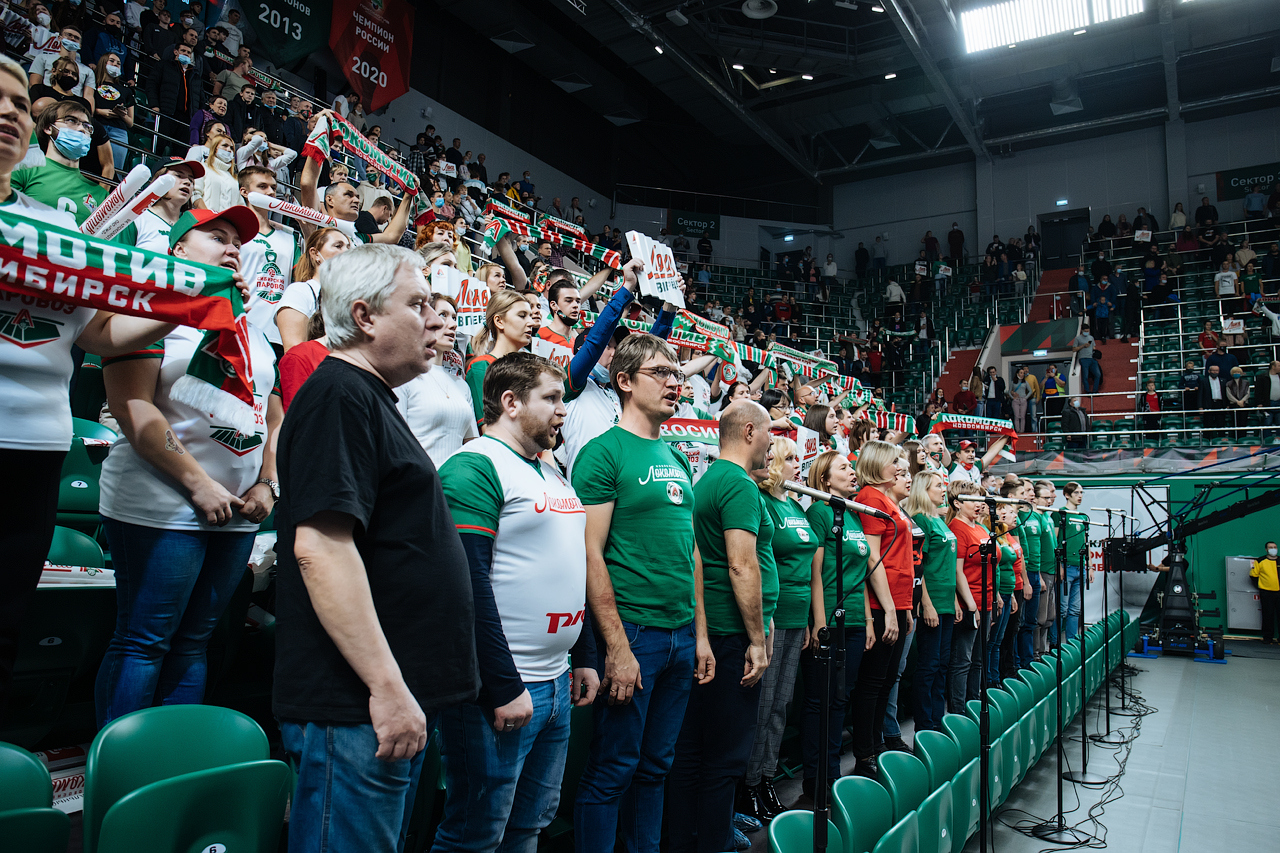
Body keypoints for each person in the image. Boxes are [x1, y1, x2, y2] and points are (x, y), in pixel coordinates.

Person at [0, 54, 193, 707]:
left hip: (35, 451)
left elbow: (98, 336)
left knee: (4, 628)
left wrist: (183, 306)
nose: (9, 112)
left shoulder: (58, 228)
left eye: (18, 102)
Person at [274, 244, 480, 852]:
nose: (434, 320)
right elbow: (321, 549)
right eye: (417, 305)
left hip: (382, 704)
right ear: (364, 316)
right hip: (356, 708)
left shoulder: (367, 396)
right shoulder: (340, 395)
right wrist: (387, 689)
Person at [94, 206, 273, 726]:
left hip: (237, 510)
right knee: (144, 640)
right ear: (177, 250)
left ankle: (170, 757)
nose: (231, 247)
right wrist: (198, 484)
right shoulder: (150, 307)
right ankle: (122, 762)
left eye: (236, 242)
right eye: (216, 236)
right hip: (163, 504)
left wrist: (267, 483)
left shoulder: (248, 324)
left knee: (195, 641)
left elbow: (271, 414)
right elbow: (132, 405)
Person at [431, 353, 599, 853]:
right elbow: (465, 586)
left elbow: (571, 566)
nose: (563, 410)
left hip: (556, 681)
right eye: (551, 398)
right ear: (510, 402)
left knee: (529, 826)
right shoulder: (475, 466)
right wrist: (501, 684)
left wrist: (584, 654)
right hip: (502, 687)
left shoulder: (550, 471)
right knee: (475, 834)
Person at [572, 334, 709, 853]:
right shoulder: (603, 452)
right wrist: (615, 645)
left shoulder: (676, 456)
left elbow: (691, 552)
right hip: (634, 633)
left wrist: (699, 635)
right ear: (625, 381)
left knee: (655, 768)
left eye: (677, 373)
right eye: (661, 373)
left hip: (679, 634)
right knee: (612, 771)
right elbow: (590, 553)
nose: (676, 382)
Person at [668, 401, 773, 853]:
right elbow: (741, 565)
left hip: (713, 633)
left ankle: (687, 839)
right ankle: (712, 842)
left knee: (694, 750)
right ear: (749, 432)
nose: (772, 444)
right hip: (730, 636)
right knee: (724, 755)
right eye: (769, 433)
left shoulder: (712, 478)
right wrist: (757, 640)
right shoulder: (738, 483)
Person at [741, 436, 817, 821]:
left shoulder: (797, 505)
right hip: (772, 616)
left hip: (797, 616)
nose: (797, 464)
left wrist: (809, 620)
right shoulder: (762, 500)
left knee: (781, 705)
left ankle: (766, 776)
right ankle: (748, 783)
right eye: (789, 458)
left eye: (799, 458)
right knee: (763, 705)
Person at [798, 450, 870, 797]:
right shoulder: (819, 513)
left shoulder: (852, 515)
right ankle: (815, 779)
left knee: (841, 698)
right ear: (825, 480)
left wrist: (868, 620)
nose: (853, 471)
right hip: (829, 620)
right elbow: (815, 572)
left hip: (855, 620)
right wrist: (819, 621)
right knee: (819, 700)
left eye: (852, 467)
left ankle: (833, 773)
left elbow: (861, 575)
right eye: (844, 468)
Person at [848, 441, 913, 774]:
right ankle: (866, 753)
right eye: (893, 462)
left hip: (897, 601)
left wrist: (904, 608)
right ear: (876, 464)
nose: (899, 467)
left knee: (887, 680)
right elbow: (872, 558)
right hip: (879, 602)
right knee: (873, 682)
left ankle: (877, 744)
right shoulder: (871, 498)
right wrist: (888, 610)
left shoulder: (888, 499)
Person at [398, 289, 479, 467]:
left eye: (454, 317)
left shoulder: (461, 385)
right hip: (416, 479)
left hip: (454, 481)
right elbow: (395, 443)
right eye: (443, 315)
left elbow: (471, 444)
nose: (453, 324)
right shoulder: (403, 377)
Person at [909, 469, 957, 732]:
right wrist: (926, 603)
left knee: (942, 664)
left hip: (947, 602)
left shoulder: (938, 519)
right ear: (923, 490)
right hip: (933, 602)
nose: (943, 489)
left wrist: (956, 601)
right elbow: (919, 566)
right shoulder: (921, 520)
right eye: (938, 485)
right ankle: (925, 726)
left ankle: (939, 722)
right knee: (929, 665)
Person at [11, 99, 105, 223]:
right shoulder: (23, 169)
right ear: (48, 128)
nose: (82, 129)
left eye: (86, 126)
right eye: (71, 120)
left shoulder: (101, 195)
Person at [236, 166, 297, 350]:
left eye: (273, 187)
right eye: (262, 186)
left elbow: (299, 279)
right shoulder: (233, 233)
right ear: (244, 192)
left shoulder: (289, 238)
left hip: (279, 334)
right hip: (243, 327)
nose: (271, 192)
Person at [274, 227, 353, 351]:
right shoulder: (299, 292)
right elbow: (294, 351)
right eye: (338, 246)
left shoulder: (350, 295)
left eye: (348, 247)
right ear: (315, 254)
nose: (346, 252)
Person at [946, 480, 987, 711]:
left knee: (978, 659)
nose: (978, 504)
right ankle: (959, 711)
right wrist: (971, 605)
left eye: (980, 499)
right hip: (970, 603)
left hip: (987, 600)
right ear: (958, 503)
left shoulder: (980, 528)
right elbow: (957, 570)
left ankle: (975, 704)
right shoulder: (957, 528)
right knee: (963, 660)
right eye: (972, 499)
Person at [984, 499, 1019, 686]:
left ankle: (995, 680)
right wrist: (997, 595)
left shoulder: (1004, 536)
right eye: (1001, 510)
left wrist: (1011, 594)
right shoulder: (991, 535)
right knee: (991, 642)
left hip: (1006, 591)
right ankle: (989, 681)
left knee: (998, 640)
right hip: (997, 593)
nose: (1005, 514)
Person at [1053, 483, 1090, 642]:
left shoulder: (1083, 517)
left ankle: (1071, 643)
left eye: (1081, 492)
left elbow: (1086, 542)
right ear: (1067, 495)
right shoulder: (1059, 514)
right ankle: (1055, 643)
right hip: (1065, 566)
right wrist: (1058, 565)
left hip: (1080, 565)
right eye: (1076, 493)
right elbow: (1054, 541)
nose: (1079, 496)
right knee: (1062, 608)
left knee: (1075, 609)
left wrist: (1089, 566)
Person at [92, 52, 133, 171]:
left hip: (118, 131)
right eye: (112, 61)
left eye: (119, 63)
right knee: (92, 165)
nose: (115, 64)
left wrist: (122, 115)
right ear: (103, 63)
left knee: (115, 170)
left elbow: (130, 122)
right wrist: (99, 111)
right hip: (96, 126)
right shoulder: (92, 83)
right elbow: (86, 107)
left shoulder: (126, 91)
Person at [1251, 542, 1280, 644]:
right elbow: (1253, 575)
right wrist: (1261, 586)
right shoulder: (1260, 561)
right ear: (1266, 549)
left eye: (1275, 547)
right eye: (1270, 547)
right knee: (1268, 616)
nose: (1273, 549)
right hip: (1267, 593)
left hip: (1279, 592)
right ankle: (1268, 638)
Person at [1252, 361, 1280, 443]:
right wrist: (1259, 403)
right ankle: (1267, 442)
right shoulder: (1262, 377)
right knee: (1267, 423)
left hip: (1279, 403)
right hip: (1267, 404)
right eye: (1279, 365)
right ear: (1273, 367)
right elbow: (1258, 392)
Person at [1200, 364, 1228, 435]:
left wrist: (1227, 404)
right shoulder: (1203, 381)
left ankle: (1221, 439)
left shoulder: (1223, 381)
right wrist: (1200, 406)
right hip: (1208, 404)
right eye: (1213, 370)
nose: (1215, 372)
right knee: (1208, 424)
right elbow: (1200, 394)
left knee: (1221, 424)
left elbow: (1225, 394)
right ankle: (1207, 440)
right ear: (1209, 371)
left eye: (1217, 371)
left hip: (1220, 404)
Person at [1226, 366, 1251, 441]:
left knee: (1243, 422)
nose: (1236, 374)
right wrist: (1237, 402)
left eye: (1238, 372)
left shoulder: (1246, 382)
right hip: (1233, 405)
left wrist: (1242, 401)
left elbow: (1248, 393)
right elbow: (1229, 395)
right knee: (1235, 423)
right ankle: (1235, 439)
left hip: (1244, 405)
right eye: (1235, 372)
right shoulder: (1228, 383)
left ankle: (1242, 439)